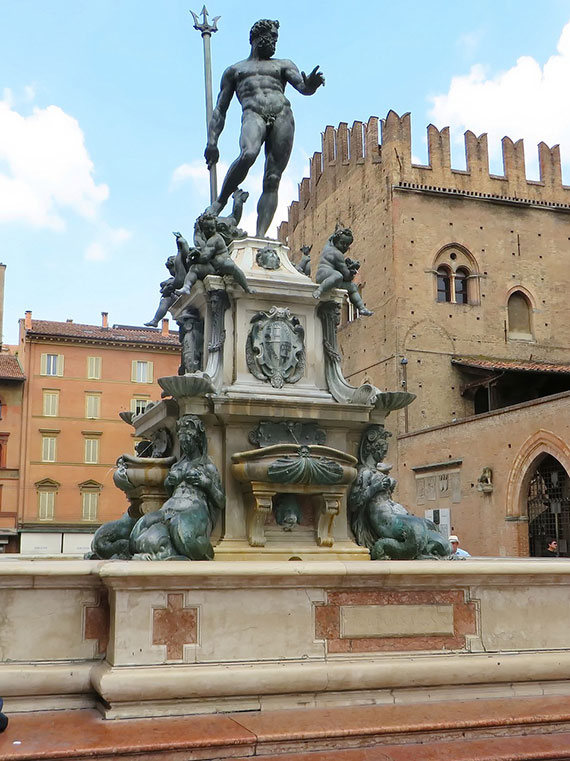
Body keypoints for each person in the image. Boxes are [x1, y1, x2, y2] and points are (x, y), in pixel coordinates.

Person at [205, 19, 325, 237]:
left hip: (282, 115)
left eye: (276, 39)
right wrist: (212, 142)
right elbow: (220, 110)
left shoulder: (283, 64)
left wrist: (311, 85)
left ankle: (260, 237)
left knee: (272, 178)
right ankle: (220, 201)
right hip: (252, 114)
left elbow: (302, 87)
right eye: (270, 38)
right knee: (248, 154)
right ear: (256, 39)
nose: (274, 43)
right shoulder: (235, 71)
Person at [175, 213, 251, 296]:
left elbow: (205, 257)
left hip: (223, 265)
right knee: (194, 269)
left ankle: (246, 287)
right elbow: (203, 251)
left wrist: (194, 258)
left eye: (212, 228)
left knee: (233, 268)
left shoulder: (215, 238)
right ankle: (186, 287)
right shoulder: (207, 239)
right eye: (207, 229)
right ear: (202, 229)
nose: (210, 230)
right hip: (213, 267)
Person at [313, 226, 373, 316]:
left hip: (330, 279)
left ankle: (361, 308)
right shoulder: (337, 254)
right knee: (338, 276)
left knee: (352, 287)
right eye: (342, 243)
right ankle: (319, 290)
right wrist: (352, 271)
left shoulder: (327, 246)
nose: (345, 246)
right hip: (324, 276)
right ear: (336, 241)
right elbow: (346, 275)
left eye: (347, 245)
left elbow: (330, 239)